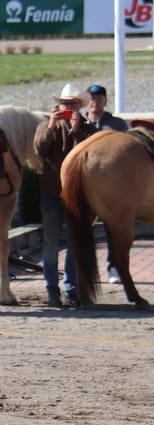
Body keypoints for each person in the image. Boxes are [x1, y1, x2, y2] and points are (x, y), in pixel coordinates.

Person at [33, 82, 97, 308]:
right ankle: (52, 289)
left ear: (79, 106)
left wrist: (76, 130)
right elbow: (40, 150)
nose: (68, 108)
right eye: (64, 104)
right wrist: (51, 126)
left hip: (76, 196)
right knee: (50, 245)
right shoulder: (45, 126)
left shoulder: (88, 130)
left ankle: (71, 289)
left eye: (72, 105)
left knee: (73, 244)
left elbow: (87, 155)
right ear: (57, 105)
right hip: (51, 194)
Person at [82, 84, 129, 283]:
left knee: (113, 229)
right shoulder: (79, 123)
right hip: (85, 185)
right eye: (92, 98)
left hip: (111, 187)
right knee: (84, 230)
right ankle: (86, 271)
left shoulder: (116, 124)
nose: (95, 102)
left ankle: (114, 268)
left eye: (99, 98)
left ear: (105, 101)